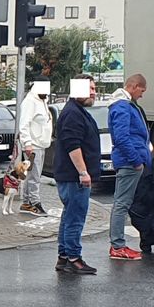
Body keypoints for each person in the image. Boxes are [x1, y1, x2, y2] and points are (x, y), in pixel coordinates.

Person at [53, 75, 102, 275]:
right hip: (74, 177)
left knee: (69, 216)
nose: (93, 92)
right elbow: (74, 146)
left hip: (70, 175)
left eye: (94, 88)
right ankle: (74, 257)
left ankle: (64, 257)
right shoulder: (73, 113)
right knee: (75, 218)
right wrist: (83, 172)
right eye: (89, 88)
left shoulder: (75, 110)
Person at [107, 73, 152, 260]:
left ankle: (118, 244)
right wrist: (136, 161)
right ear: (134, 86)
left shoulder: (125, 105)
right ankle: (117, 246)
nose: (142, 95)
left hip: (131, 162)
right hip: (129, 163)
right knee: (122, 204)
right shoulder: (123, 107)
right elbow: (122, 137)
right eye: (142, 90)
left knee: (123, 203)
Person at [16, 80, 53, 215]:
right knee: (35, 176)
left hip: (40, 144)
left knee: (31, 174)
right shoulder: (30, 102)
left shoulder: (43, 101)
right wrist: (27, 143)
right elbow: (24, 123)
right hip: (33, 145)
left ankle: (26, 202)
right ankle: (35, 202)